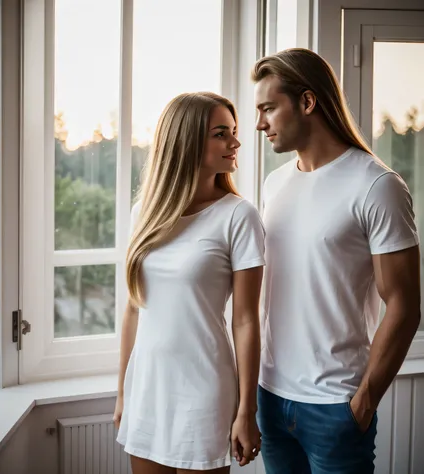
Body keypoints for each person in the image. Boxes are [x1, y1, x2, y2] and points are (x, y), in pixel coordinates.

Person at [252, 48, 421, 474]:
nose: (259, 124)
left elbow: (403, 305)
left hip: (335, 406)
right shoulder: (275, 185)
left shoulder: (377, 185)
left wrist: (363, 402)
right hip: (270, 397)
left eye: (269, 108)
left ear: (307, 103)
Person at [114, 91, 266, 474]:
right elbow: (134, 308)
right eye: (221, 133)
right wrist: (122, 393)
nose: (235, 142)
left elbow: (246, 320)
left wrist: (247, 410)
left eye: (233, 132)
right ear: (185, 139)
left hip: (204, 391)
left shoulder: (238, 216)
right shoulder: (143, 213)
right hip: (148, 387)